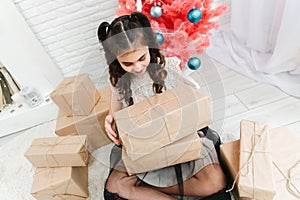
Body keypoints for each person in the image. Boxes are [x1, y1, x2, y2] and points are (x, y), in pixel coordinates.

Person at [97, 12, 231, 200]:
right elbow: (115, 114)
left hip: (177, 138)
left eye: (142, 58)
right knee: (114, 188)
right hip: (145, 144)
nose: (137, 67)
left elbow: (186, 109)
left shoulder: (169, 68)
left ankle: (155, 187)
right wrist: (110, 121)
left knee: (215, 180)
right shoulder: (119, 80)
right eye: (127, 63)